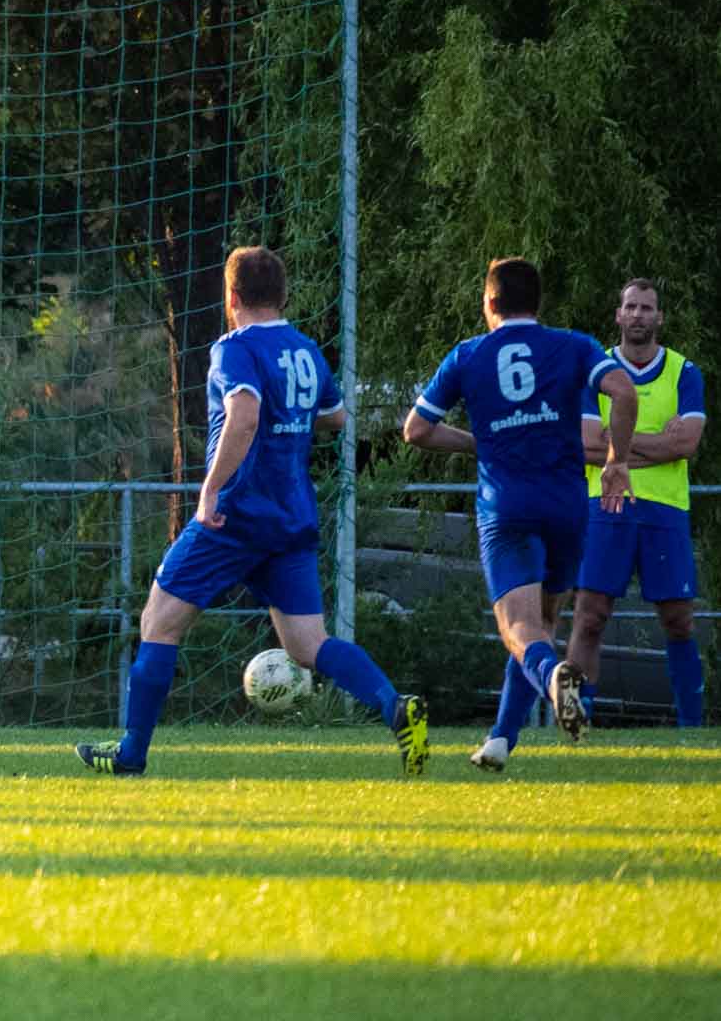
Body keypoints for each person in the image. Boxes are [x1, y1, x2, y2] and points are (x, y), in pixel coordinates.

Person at [75, 245, 430, 778]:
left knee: (158, 621)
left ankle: (131, 753)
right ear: (283, 296)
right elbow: (335, 416)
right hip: (291, 518)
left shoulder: (234, 348)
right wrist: (291, 414)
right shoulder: (305, 349)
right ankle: (393, 706)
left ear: (232, 297)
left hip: (235, 516)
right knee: (308, 645)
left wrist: (210, 489)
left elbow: (244, 416)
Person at [403, 258, 638, 759]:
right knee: (543, 623)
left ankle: (553, 679)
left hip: (507, 506)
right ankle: (501, 740)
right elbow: (622, 391)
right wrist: (616, 461)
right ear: (538, 302)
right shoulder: (574, 345)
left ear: (490, 301)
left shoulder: (468, 355)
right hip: (566, 505)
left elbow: (416, 430)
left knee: (518, 630)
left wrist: (476, 443)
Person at [470, 279, 705, 770]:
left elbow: (685, 445)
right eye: (630, 307)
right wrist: (652, 446)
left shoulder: (684, 372)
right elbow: (586, 445)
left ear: (659, 317)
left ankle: (693, 731)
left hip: (665, 509)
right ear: (618, 315)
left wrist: (618, 446)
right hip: (604, 504)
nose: (638, 315)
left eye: (647, 308)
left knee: (679, 619)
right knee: (590, 615)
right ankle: (579, 724)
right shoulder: (594, 366)